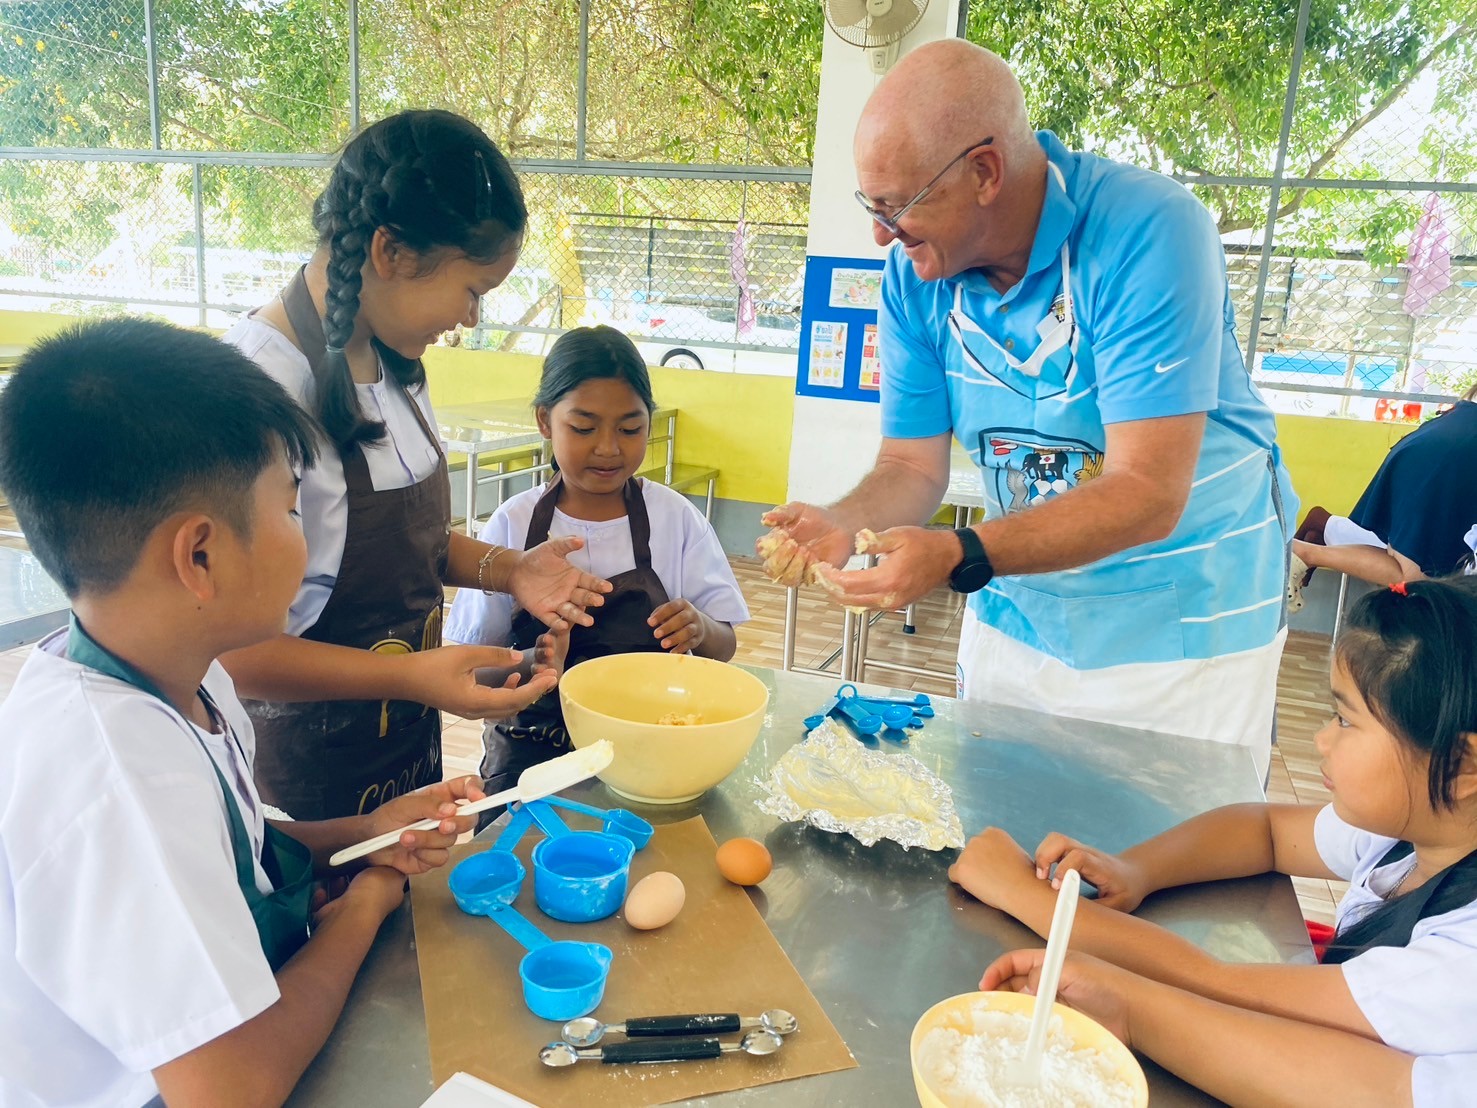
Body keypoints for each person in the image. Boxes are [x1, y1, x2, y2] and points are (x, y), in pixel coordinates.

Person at [758, 40, 1296, 779]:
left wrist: (958, 554)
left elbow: (1147, 493)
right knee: (1001, 845)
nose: (881, 235)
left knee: (1155, 865)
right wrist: (843, 523)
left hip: (1181, 630)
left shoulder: (1148, 233)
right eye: (871, 207)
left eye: (899, 207)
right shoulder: (916, 278)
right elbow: (909, 464)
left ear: (984, 172)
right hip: (1019, 615)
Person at [0, 319, 487, 1106]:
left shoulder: (173, 670)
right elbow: (229, 1089)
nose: (303, 539)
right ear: (199, 556)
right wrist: (362, 907)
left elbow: (232, 855)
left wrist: (367, 835)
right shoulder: (115, 779)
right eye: (292, 511)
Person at [951, 574, 1477, 1107]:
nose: (1321, 738)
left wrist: (1027, 895)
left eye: (1345, 720)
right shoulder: (1420, 832)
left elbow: (1224, 987)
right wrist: (1137, 869)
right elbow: (1267, 831)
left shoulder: (1460, 967)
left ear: (1460, 767)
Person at [221, 109, 610, 820]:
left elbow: (406, 549)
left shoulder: (396, 364)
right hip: (294, 785)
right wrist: (413, 676)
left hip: (399, 753)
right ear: (390, 253)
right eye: (473, 291)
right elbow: (230, 654)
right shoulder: (257, 387)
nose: (471, 318)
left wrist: (510, 570)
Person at [446, 326, 748, 791]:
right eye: (584, 428)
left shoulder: (675, 518)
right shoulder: (513, 523)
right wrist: (535, 660)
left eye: (630, 428)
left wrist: (700, 628)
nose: (609, 447)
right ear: (545, 421)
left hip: (646, 752)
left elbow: (723, 647)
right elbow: (474, 670)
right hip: (531, 755)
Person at [1288, 383, 1477, 603]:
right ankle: (1303, 551)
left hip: (1439, 446)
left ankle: (1308, 547)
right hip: (1451, 462)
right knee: (1420, 578)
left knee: (1416, 572)